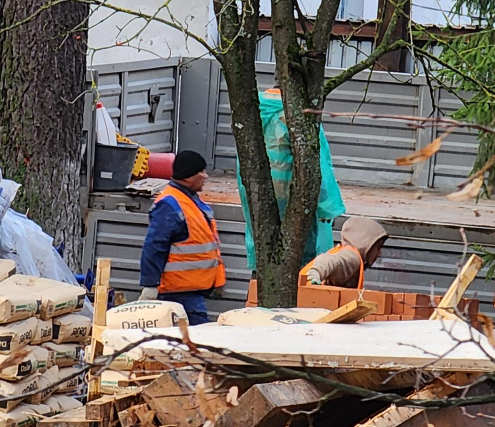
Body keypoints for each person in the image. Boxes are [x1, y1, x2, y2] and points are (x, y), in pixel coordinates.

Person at [238, 88, 346, 304]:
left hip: (259, 196)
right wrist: (328, 208)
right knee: (298, 262)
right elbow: (319, 166)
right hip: (293, 199)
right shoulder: (297, 115)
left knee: (263, 255)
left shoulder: (250, 113)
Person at [138, 150, 226, 325]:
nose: (206, 176)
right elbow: (154, 246)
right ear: (187, 177)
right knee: (197, 342)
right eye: (201, 172)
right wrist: (150, 284)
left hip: (190, 289)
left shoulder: (188, 200)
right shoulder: (170, 204)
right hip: (179, 292)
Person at [301, 217, 389, 289]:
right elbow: (329, 261)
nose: (379, 254)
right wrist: (314, 273)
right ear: (366, 244)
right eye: (378, 248)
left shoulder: (347, 253)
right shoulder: (352, 257)